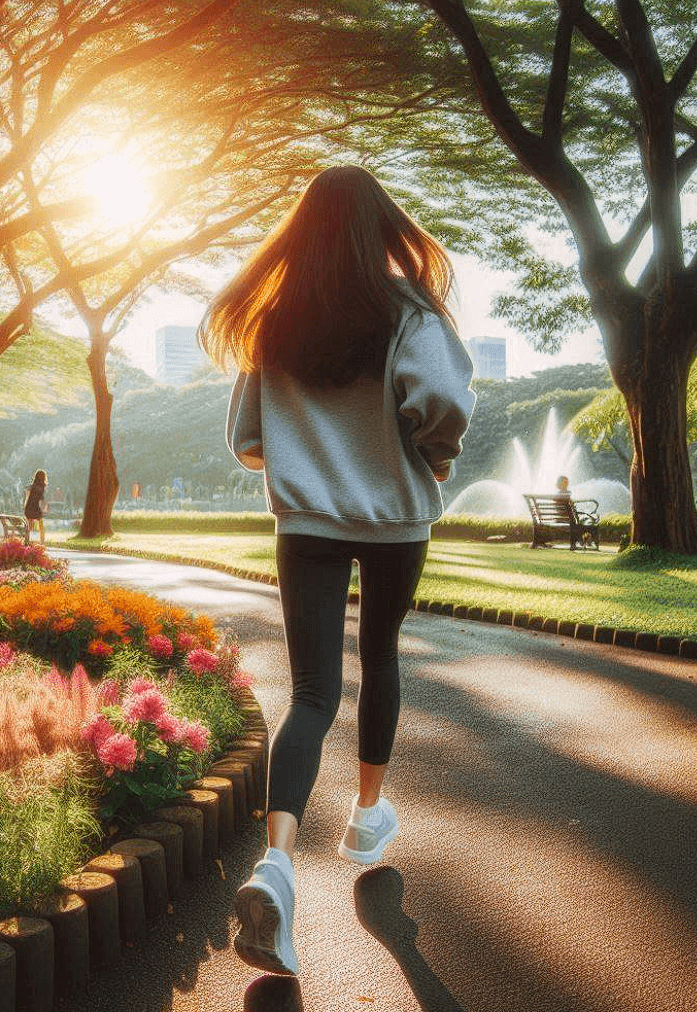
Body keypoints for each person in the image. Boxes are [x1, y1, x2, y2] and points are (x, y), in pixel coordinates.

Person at [198, 165, 475, 977]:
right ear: (380, 226)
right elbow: (443, 405)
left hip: (305, 525)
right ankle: (365, 815)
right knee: (380, 655)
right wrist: (431, 455)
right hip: (395, 518)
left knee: (312, 692)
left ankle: (275, 863)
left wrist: (302, 454)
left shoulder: (274, 319)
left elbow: (247, 437)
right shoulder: (411, 309)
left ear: (304, 230)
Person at [23, 469, 48, 545]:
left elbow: (27, 498)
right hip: (36, 508)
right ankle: (42, 541)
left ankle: (28, 540)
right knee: (41, 525)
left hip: (29, 507)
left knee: (30, 525)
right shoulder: (43, 486)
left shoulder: (31, 486)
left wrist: (24, 507)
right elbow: (42, 499)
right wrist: (44, 508)